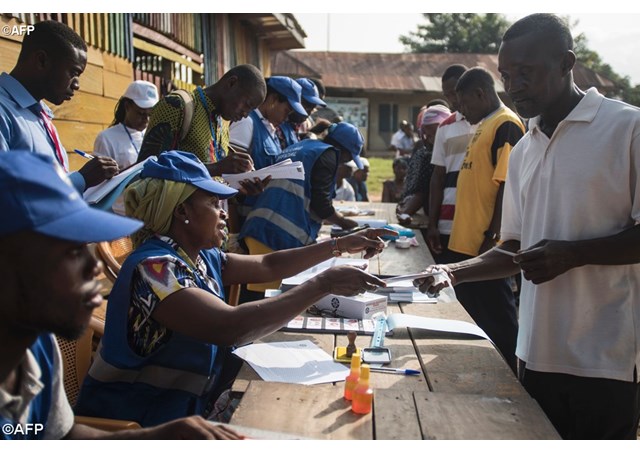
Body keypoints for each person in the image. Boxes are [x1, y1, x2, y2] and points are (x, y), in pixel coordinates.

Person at [419, 13, 640, 439]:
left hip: (606, 358)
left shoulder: (627, 129)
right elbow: (513, 247)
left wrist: (573, 255)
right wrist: (450, 271)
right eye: (506, 74)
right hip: (536, 351)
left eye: (526, 72)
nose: (513, 85)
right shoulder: (524, 149)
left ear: (566, 63)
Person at [75, 151, 390, 427]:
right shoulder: (155, 269)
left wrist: (338, 245)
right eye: (213, 203)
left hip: (183, 412)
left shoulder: (199, 255)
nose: (224, 212)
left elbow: (268, 266)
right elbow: (230, 327)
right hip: (137, 422)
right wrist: (325, 283)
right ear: (181, 212)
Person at [0, 152, 242, 440]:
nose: (94, 267)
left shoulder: (36, 345)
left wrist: (153, 439)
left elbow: (58, 436)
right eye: (71, 252)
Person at [437, 67, 524, 374]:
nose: (461, 110)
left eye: (465, 103)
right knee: (472, 319)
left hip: (488, 246)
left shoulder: (506, 125)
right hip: (465, 242)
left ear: (481, 94)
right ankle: (480, 372)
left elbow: (507, 185)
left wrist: (493, 236)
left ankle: (515, 380)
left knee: (500, 321)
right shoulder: (483, 124)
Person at [238, 122, 368, 293]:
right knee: (265, 300)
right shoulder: (328, 154)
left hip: (261, 226)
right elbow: (321, 204)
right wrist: (345, 224)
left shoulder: (304, 146)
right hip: (277, 235)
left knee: (255, 294)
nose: (346, 162)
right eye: (348, 157)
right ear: (343, 150)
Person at [0, 20, 118, 193]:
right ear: (41, 61)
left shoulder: (40, 114)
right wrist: (81, 179)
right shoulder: (4, 112)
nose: (76, 85)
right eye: (73, 73)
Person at [137, 64, 266, 182]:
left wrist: (242, 188)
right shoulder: (177, 106)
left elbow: (210, 181)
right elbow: (146, 169)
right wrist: (216, 168)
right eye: (246, 105)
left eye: (250, 110)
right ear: (232, 83)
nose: (245, 115)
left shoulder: (222, 125)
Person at [427, 64, 477, 263]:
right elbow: (438, 177)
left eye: (455, 92)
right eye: (447, 95)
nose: (452, 100)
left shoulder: (493, 123)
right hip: (448, 221)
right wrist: (433, 224)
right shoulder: (445, 127)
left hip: (479, 221)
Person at [229, 76, 307, 170]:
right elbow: (232, 168)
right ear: (273, 99)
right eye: (286, 111)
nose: (287, 118)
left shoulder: (270, 129)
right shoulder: (246, 122)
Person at [396, 104, 450, 225]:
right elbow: (421, 189)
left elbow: (422, 192)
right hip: (426, 210)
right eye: (427, 135)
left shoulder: (435, 153)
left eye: (433, 134)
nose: (429, 139)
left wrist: (406, 212)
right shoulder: (426, 153)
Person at [93, 80, 159, 169]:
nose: (146, 119)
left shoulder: (153, 137)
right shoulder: (106, 138)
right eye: (141, 113)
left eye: (150, 115)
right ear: (127, 106)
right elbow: (98, 178)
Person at [277, 77, 326, 148]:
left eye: (312, 109)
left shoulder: (293, 128)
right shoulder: (276, 125)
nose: (307, 114)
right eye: (306, 107)